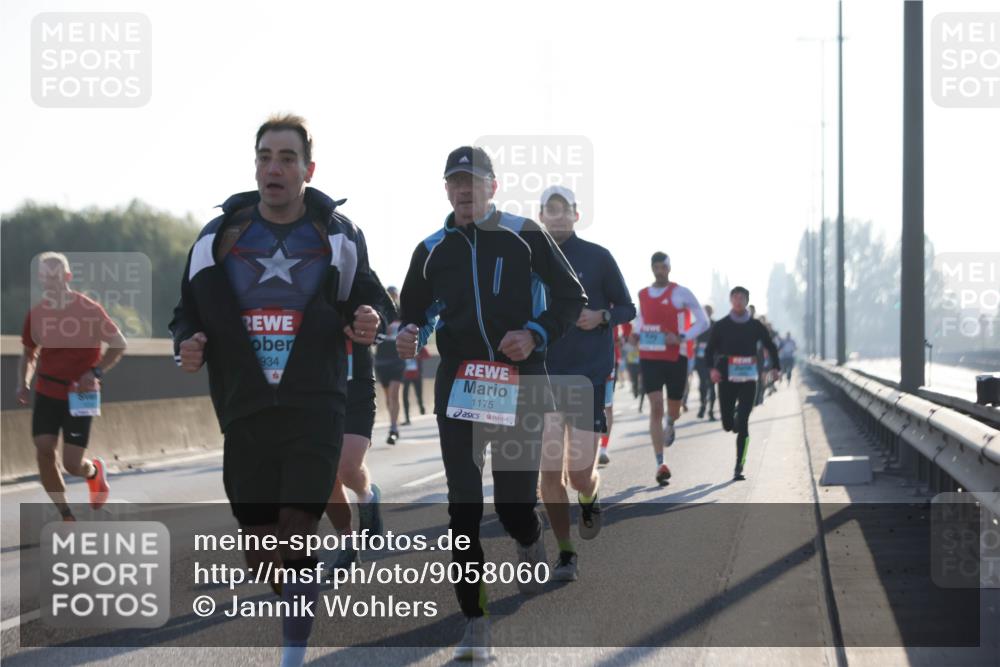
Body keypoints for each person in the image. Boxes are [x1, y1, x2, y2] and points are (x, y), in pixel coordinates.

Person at [169, 114, 389, 667]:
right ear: (256, 165)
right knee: (264, 553)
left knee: (295, 535)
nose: (275, 168)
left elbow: (371, 298)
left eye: (287, 158)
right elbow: (185, 312)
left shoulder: (337, 233)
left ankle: (292, 655)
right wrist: (187, 342)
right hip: (243, 407)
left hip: (314, 404)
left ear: (308, 170)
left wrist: (368, 316)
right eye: (266, 156)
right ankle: (300, 595)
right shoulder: (219, 236)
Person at [396, 146, 586, 660]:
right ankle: (475, 623)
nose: (464, 189)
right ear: (446, 189)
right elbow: (411, 313)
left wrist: (535, 334)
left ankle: (529, 535)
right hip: (461, 387)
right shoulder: (431, 248)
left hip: (521, 382)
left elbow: (572, 298)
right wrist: (408, 332)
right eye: (455, 181)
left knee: (512, 506)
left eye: (474, 180)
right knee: (463, 507)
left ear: (493, 186)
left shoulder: (524, 235)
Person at [536, 185, 634, 582]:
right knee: (547, 472)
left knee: (578, 474)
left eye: (564, 210)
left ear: (576, 214)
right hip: (540, 375)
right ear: (540, 215)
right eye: (550, 210)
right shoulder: (528, 259)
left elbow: (628, 307)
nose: (557, 217)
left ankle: (590, 496)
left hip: (586, 376)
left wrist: (602, 317)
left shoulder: (598, 257)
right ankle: (565, 552)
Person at [17, 252, 126, 521]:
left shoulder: (88, 309)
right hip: (47, 389)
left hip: (82, 393)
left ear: (67, 277)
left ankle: (94, 472)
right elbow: (29, 353)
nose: (48, 283)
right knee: (44, 448)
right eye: (44, 278)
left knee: (72, 464)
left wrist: (95, 372)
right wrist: (24, 382)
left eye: (54, 277)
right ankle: (64, 512)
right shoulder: (37, 314)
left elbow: (119, 344)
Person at [324, 270, 396, 571]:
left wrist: (374, 314)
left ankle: (367, 496)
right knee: (324, 478)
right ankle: (348, 543)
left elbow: (387, 310)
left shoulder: (350, 262)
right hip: (312, 388)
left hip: (355, 383)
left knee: (347, 466)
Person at [633, 252, 709, 486]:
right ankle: (660, 463)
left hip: (677, 357)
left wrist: (682, 336)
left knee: (673, 410)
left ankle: (672, 422)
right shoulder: (643, 294)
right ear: (651, 268)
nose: (659, 271)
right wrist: (636, 332)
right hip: (650, 355)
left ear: (669, 268)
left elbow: (703, 321)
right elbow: (641, 319)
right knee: (655, 405)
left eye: (662, 267)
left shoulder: (681, 292)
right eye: (655, 267)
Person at [705, 286, 781, 481]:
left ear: (747, 301)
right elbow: (709, 349)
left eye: (742, 298)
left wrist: (776, 367)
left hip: (748, 378)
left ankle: (739, 465)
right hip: (726, 377)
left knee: (744, 422)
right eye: (735, 297)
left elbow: (770, 346)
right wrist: (711, 369)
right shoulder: (721, 325)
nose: (738, 301)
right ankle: (735, 418)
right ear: (731, 300)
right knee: (728, 424)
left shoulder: (755, 326)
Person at [374, 286, 406, 443]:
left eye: (394, 294)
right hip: (381, 360)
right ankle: (394, 423)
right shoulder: (380, 311)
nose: (392, 297)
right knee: (388, 397)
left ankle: (393, 428)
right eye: (390, 294)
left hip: (397, 360)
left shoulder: (403, 312)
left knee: (394, 393)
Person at [694, 304, 717, 420]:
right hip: (700, 359)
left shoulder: (715, 325)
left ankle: (711, 411)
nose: (706, 313)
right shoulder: (699, 324)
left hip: (712, 360)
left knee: (712, 385)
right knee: (703, 384)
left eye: (708, 311)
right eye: (705, 311)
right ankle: (703, 405)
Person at [401, 345, 429, 424]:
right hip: (405, 375)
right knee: (405, 396)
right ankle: (407, 418)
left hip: (417, 375)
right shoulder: (401, 345)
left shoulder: (418, 345)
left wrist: (418, 356)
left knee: (419, 394)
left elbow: (427, 355)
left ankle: (421, 406)